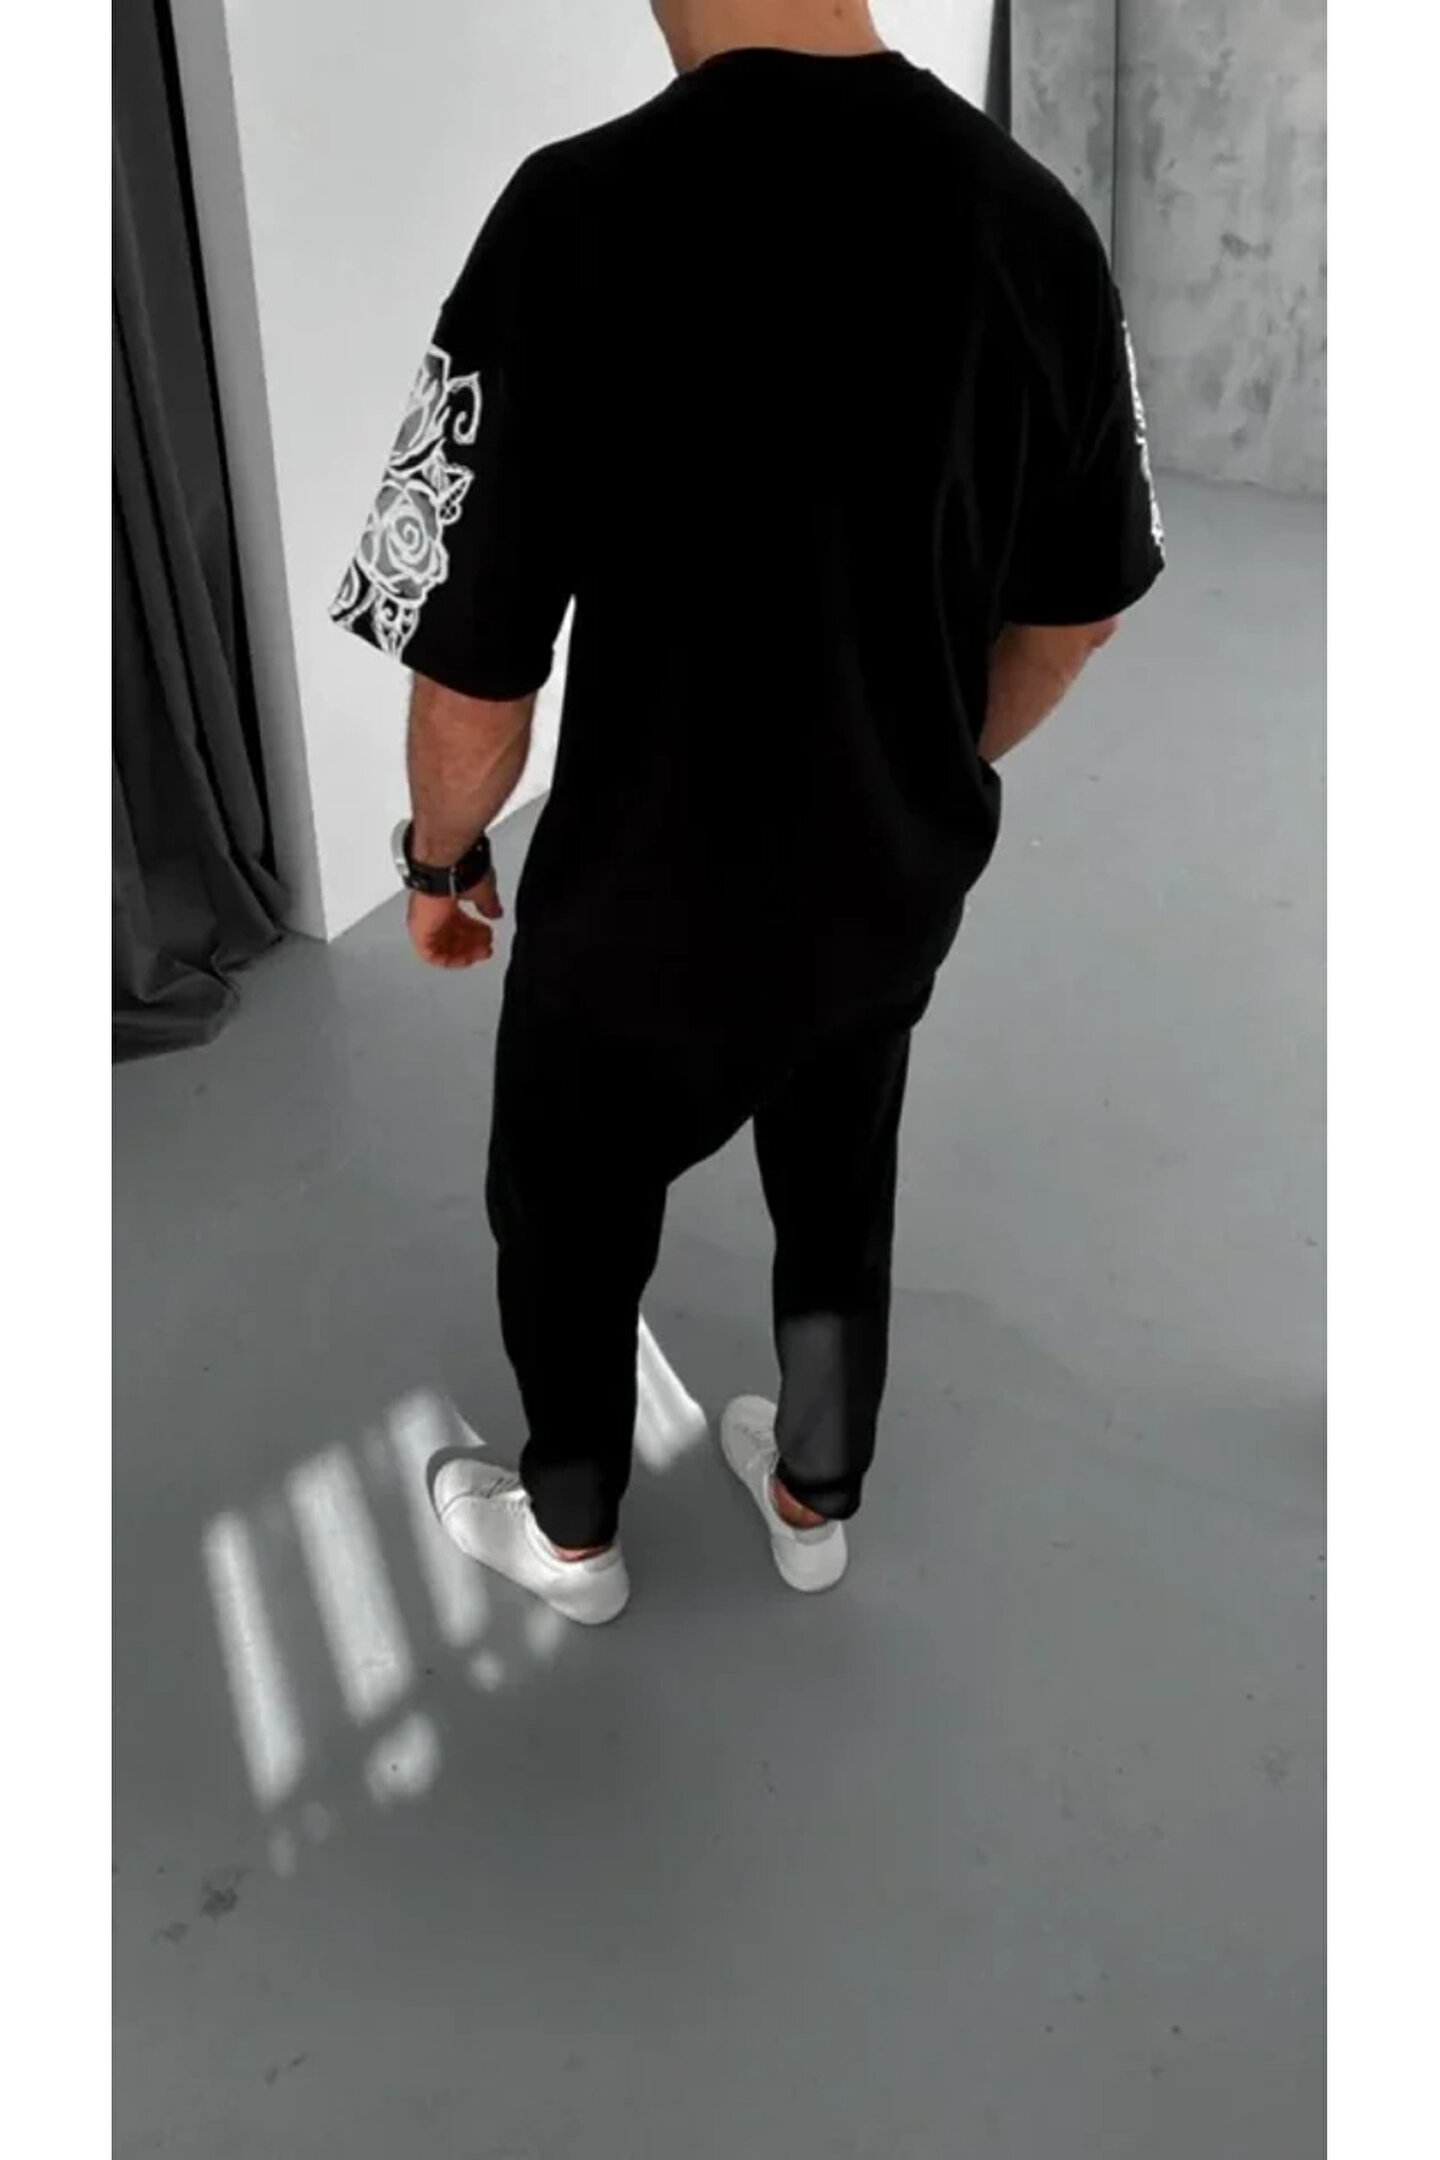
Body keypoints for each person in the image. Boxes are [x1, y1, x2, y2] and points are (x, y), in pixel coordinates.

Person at [331, 0, 1165, 1625]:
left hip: (639, 908)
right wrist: (912, 760)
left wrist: (439, 863)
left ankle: (573, 1534)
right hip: (885, 890)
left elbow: (472, 676)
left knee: (569, 1215)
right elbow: (1082, 612)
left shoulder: (573, 213)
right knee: (840, 1189)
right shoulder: (1037, 226)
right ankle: (812, 1498)